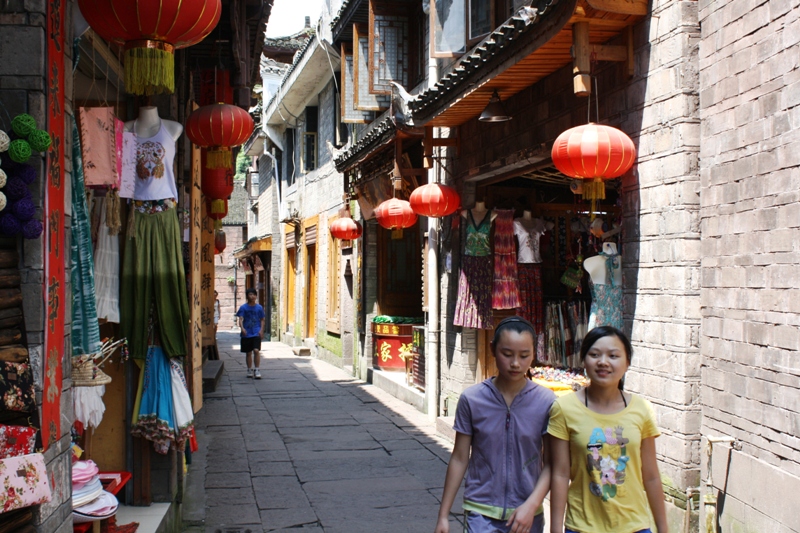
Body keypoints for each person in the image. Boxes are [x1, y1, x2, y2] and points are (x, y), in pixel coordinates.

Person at [435, 316, 556, 533]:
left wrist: (532, 505)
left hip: (527, 516)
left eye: (524, 355)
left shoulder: (546, 402)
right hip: (480, 511)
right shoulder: (472, 399)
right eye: (507, 354)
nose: (515, 363)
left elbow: (552, 464)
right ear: (493, 349)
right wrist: (443, 515)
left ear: (534, 354)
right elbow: (460, 457)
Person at [548, 326, 668, 533]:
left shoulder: (641, 409)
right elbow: (560, 473)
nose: (603, 362)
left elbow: (651, 476)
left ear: (627, 363)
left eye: (613, 356)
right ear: (584, 360)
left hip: (635, 526)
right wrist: (555, 529)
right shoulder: (564, 409)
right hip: (581, 527)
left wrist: (663, 529)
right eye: (595, 355)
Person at [236, 288, 265, 379]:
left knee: (256, 350)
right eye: (250, 294)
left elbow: (262, 320)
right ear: (247, 296)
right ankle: (249, 369)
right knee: (248, 352)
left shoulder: (259, 307)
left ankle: (257, 369)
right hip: (247, 333)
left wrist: (261, 330)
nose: (252, 296)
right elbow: (240, 319)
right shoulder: (243, 307)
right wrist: (242, 328)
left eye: (254, 294)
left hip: (256, 332)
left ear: (256, 296)